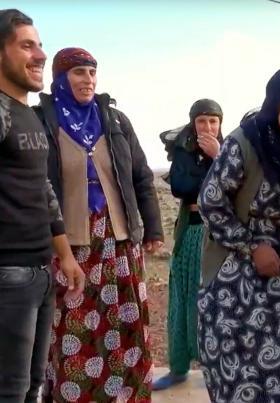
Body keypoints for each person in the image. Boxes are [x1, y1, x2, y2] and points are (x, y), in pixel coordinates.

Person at [35, 47, 163, 402]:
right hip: (70, 244)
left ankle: (128, 395)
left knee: (126, 322)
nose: (88, 80)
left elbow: (141, 176)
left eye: (92, 72)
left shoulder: (115, 120)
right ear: (61, 79)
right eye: (79, 72)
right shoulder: (43, 121)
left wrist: (152, 229)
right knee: (75, 325)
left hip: (118, 239)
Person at [197, 66, 280, 402]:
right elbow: (211, 203)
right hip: (236, 279)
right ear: (275, 104)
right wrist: (252, 247)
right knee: (243, 379)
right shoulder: (245, 143)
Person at [0, 9, 85, 402]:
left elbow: (43, 189)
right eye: (26, 46)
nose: (40, 55)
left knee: (33, 386)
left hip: (40, 272)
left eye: (40, 45)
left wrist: (65, 255)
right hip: (8, 274)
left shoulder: (29, 115)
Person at [152, 99, 223, 390]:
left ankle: (218, 369)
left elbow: (235, 186)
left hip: (217, 240)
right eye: (201, 121)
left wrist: (218, 158)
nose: (207, 127)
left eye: (213, 121)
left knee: (215, 303)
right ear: (193, 124)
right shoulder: (183, 152)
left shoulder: (229, 151)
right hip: (189, 234)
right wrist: (213, 173)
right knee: (181, 301)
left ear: (220, 124)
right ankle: (178, 368)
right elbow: (181, 187)